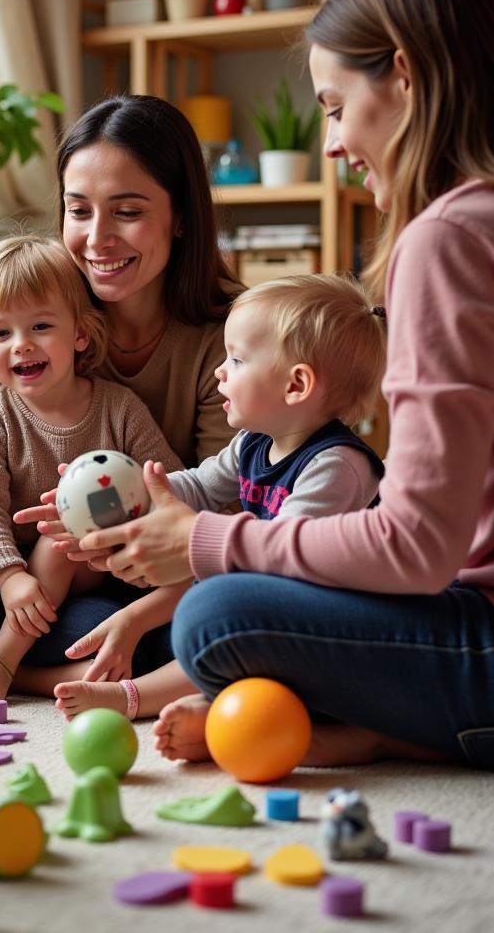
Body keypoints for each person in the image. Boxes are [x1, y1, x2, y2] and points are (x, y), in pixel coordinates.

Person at [66, 0, 494, 775]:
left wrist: (209, 543)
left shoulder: (453, 236)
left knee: (213, 617)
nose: (331, 141)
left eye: (335, 105)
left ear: (403, 76)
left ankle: (398, 732)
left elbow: (415, 548)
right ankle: (379, 727)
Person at [0, 93, 242, 683]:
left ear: (181, 215)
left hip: (122, 580)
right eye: (79, 211)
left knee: (187, 626)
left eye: (126, 211)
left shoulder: (228, 335)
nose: (97, 239)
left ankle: (3, 666)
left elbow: (215, 502)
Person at [51, 273, 386, 721]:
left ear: (296, 385)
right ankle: (202, 689)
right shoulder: (254, 440)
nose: (219, 371)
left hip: (323, 625)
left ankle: (133, 697)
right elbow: (199, 487)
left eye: (237, 359)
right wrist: (127, 503)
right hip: (258, 595)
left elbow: (282, 562)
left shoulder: (336, 465)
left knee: (220, 623)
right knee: (114, 620)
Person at [0, 234, 181, 708]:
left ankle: (3, 657)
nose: (21, 345)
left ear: (79, 333)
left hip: (89, 560)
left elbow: (169, 484)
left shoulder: (118, 408)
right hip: (12, 558)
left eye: (40, 326)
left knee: (60, 543)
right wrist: (11, 576)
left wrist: (141, 533)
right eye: (1, 334)